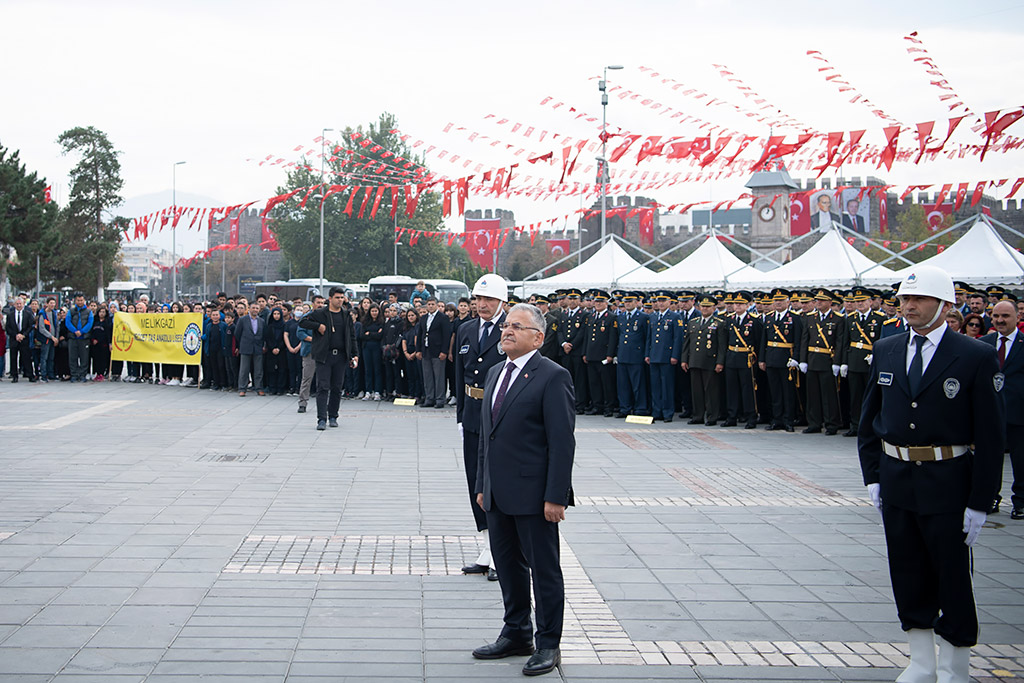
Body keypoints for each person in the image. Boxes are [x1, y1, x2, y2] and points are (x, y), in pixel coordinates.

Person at [858, 265, 1004, 683]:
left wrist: (981, 500)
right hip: (897, 476)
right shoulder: (887, 348)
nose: (909, 307)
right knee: (907, 569)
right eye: (904, 299)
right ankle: (921, 660)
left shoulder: (974, 355)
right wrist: (873, 474)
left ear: (943, 304)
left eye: (918, 300)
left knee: (952, 573)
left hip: (948, 478)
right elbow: (870, 420)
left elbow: (991, 436)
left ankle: (956, 663)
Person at [472, 303, 575, 677]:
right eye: (506, 325)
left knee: (544, 570)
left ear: (538, 337)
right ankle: (516, 632)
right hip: (498, 492)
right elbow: (488, 435)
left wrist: (556, 495)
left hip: (535, 494)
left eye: (517, 326)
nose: (507, 331)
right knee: (509, 567)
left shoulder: (552, 376)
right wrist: (483, 485)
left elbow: (562, 442)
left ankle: (548, 643)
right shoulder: (496, 372)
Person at [454, 274, 508, 581]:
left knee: (496, 482)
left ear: (502, 302)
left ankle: (502, 553)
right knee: (475, 481)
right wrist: (461, 417)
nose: (482, 305)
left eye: (488, 300)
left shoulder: (509, 328)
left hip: (499, 412)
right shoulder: (466, 329)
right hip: (473, 412)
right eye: (478, 299)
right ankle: (487, 547)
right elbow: (460, 376)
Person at [980, 301, 1024, 519]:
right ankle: (990, 498)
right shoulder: (984, 343)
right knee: (990, 457)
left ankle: (1021, 501)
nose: (999, 320)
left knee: (1021, 460)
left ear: (1017, 317)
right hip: (991, 412)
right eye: (995, 316)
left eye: (1005, 316)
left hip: (1019, 413)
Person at [300, 286, 358, 431]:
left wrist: (354, 354)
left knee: (337, 388)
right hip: (324, 356)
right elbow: (302, 322)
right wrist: (318, 326)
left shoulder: (346, 315)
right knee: (323, 387)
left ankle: (333, 416)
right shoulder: (320, 313)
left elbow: (352, 336)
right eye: (337, 297)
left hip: (341, 356)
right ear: (330, 299)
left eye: (342, 297)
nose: (340, 300)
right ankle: (321, 418)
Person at [799, 288, 844, 435]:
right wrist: (803, 360)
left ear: (830, 302)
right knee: (813, 394)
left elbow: (839, 343)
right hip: (812, 359)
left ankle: (831, 423)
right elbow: (805, 340)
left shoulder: (838, 319)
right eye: (817, 300)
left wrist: (837, 362)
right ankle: (814, 423)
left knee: (828, 395)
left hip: (827, 360)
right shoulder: (810, 317)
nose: (818, 302)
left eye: (822, 300)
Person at [720, 291, 762, 428]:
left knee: (747, 389)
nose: (737, 306)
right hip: (732, 357)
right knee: (731, 389)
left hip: (747, 358)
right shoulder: (730, 320)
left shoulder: (754, 320)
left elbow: (758, 341)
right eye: (735, 303)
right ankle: (732, 416)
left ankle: (751, 416)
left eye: (740, 304)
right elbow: (725, 341)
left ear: (748, 305)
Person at [680, 294, 724, 425]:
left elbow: (721, 346)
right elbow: (687, 343)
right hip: (694, 360)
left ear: (714, 308)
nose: (704, 309)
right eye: (702, 306)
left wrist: (720, 362)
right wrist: (684, 359)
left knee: (711, 391)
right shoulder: (693, 323)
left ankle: (712, 416)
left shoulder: (719, 323)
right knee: (696, 391)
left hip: (710, 361)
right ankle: (698, 415)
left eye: (708, 307)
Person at [645, 290, 681, 422]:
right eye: (658, 301)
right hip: (654, 355)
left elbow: (677, 338)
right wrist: (647, 354)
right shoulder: (653, 317)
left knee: (667, 386)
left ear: (669, 302)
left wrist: (675, 355)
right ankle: (657, 411)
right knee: (655, 386)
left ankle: (667, 412)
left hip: (667, 356)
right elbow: (649, 337)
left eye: (663, 301)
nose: (660, 304)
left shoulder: (675, 317)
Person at [582, 290, 617, 417]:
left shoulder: (611, 317)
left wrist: (610, 355)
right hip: (591, 354)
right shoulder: (591, 317)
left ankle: (609, 407)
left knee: (606, 383)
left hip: (603, 355)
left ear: (606, 303)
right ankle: (597, 405)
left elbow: (613, 338)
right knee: (594, 383)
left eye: (600, 302)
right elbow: (587, 336)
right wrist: (585, 353)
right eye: (596, 301)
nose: (597, 304)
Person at [615, 292, 649, 417]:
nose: (628, 304)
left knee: (638, 385)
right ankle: (624, 408)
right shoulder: (621, 317)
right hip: (623, 354)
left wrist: (645, 354)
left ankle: (640, 408)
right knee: (623, 385)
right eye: (626, 301)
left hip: (636, 355)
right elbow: (619, 335)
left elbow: (646, 337)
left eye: (630, 301)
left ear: (636, 302)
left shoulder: (643, 317)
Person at [416, 297, 451, 408]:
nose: (430, 306)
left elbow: (446, 336)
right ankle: (429, 398)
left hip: (438, 351)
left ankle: (440, 399)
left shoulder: (443, 318)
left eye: (432, 304)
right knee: (428, 377)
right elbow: (420, 334)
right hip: (426, 350)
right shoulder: (424, 318)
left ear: (436, 305)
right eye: (429, 304)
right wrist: (418, 350)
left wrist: (444, 351)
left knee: (439, 376)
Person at [295, 295, 324, 413]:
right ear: (313, 304)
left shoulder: (326, 317)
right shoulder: (306, 318)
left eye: (322, 303)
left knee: (323, 380)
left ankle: (323, 403)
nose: (320, 305)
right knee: (307, 378)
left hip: (323, 352)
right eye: (318, 302)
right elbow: (300, 333)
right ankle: (302, 402)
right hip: (309, 351)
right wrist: (313, 339)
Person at [235, 301, 267, 397]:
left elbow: (264, 334)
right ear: (249, 308)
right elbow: (237, 333)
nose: (255, 310)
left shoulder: (261, 321)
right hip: (245, 347)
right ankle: (242, 388)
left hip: (258, 347)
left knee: (258, 369)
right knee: (244, 369)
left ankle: (259, 388)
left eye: (257, 308)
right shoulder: (243, 320)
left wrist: (263, 345)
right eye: (253, 308)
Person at [5, 296, 35, 382]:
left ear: (23, 304)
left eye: (20, 304)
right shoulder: (10, 315)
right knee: (13, 358)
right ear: (14, 305)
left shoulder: (27, 314)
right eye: (17, 304)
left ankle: (30, 375)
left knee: (26, 357)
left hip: (24, 339)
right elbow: (8, 328)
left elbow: (30, 326)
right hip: (14, 339)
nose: (18, 305)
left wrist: (23, 335)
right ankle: (14, 375)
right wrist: (16, 335)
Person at [64, 293, 92, 382]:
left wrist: (82, 331)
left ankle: (83, 375)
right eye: (78, 300)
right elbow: (67, 322)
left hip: (84, 338)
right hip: (73, 338)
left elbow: (90, 323)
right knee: (72, 358)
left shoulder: (88, 312)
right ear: (75, 301)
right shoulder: (71, 311)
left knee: (84, 358)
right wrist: (75, 331)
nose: (80, 302)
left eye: (81, 300)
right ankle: (74, 375)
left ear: (84, 301)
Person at [361, 304, 384, 400]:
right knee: (368, 370)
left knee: (377, 370)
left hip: (377, 348)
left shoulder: (381, 322)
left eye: (376, 311)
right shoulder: (365, 322)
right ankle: (368, 391)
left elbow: (380, 336)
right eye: (372, 311)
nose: (374, 313)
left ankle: (377, 391)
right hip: (367, 348)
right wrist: (374, 334)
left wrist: (369, 333)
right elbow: (362, 335)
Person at [36, 297, 59, 382]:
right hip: (46, 339)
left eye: (53, 303)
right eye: (51, 303)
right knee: (44, 358)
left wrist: (56, 337)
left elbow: (57, 326)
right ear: (47, 304)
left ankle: (51, 374)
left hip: (53, 339)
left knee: (51, 358)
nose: (52, 305)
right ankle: (43, 375)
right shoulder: (42, 314)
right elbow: (42, 329)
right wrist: (51, 337)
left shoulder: (54, 313)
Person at [90, 305, 112, 380]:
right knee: (96, 359)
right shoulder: (95, 321)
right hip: (95, 344)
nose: (102, 314)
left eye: (103, 312)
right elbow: (92, 332)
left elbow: (107, 334)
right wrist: (93, 340)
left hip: (103, 344)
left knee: (103, 359)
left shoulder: (107, 322)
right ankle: (97, 373)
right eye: (100, 312)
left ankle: (102, 373)